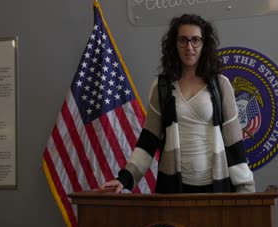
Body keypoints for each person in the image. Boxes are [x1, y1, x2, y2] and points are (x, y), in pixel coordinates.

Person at [101, 14, 255, 193]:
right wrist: (126, 178)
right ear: (174, 44)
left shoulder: (220, 85)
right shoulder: (162, 87)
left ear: (204, 44)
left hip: (216, 187)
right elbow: (148, 140)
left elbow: (234, 143)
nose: (189, 47)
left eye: (196, 40)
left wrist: (245, 188)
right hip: (173, 188)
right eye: (183, 40)